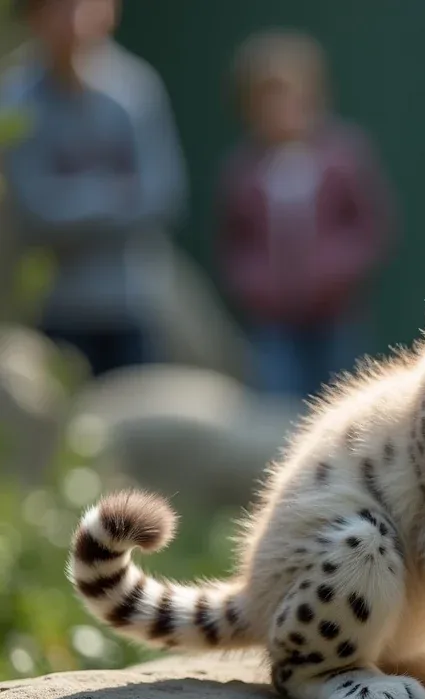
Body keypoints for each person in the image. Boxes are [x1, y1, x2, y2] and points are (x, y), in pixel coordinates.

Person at [1, 0, 187, 376]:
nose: (73, 19)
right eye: (57, 8)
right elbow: (35, 209)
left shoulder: (136, 90)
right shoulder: (15, 99)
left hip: (132, 305)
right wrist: (114, 196)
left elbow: (162, 194)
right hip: (55, 310)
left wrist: (74, 201)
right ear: (33, 18)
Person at [216, 29, 394, 400]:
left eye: (289, 95)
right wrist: (261, 287)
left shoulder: (344, 156)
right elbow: (234, 244)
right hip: (274, 325)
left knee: (344, 401)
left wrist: (333, 274)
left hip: (337, 318)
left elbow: (370, 229)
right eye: (267, 99)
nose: (280, 109)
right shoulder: (245, 170)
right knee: (279, 410)